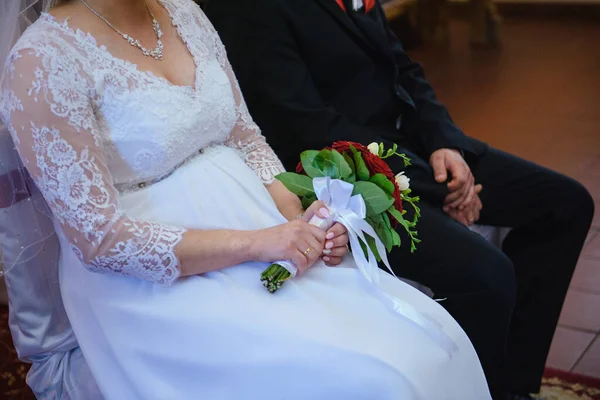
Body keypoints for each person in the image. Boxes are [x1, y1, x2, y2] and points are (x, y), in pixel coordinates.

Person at [0, 0, 493, 398]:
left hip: (261, 236)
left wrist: (304, 220)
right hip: (151, 287)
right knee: (374, 381)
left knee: (430, 341)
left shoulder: (185, 13)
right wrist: (259, 243)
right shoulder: (42, 61)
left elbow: (245, 137)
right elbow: (100, 239)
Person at [204, 1, 595, 399]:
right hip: (344, 173)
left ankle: (511, 384)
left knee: (565, 204)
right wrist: (441, 186)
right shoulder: (253, 10)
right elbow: (304, 127)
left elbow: (403, 71)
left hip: (416, 146)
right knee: (485, 274)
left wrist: (446, 143)